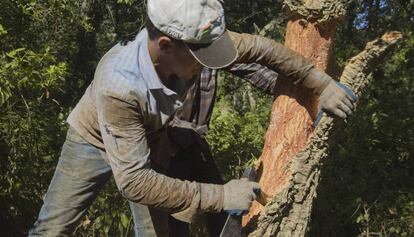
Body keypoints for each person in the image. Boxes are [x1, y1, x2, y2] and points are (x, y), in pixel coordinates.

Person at [29, 0, 356, 236]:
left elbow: (262, 49)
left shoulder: (196, 41)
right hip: (93, 138)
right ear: (166, 44)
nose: (209, 65)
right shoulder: (119, 84)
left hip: (151, 137)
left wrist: (320, 84)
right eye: (202, 58)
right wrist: (221, 196)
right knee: (53, 227)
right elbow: (134, 182)